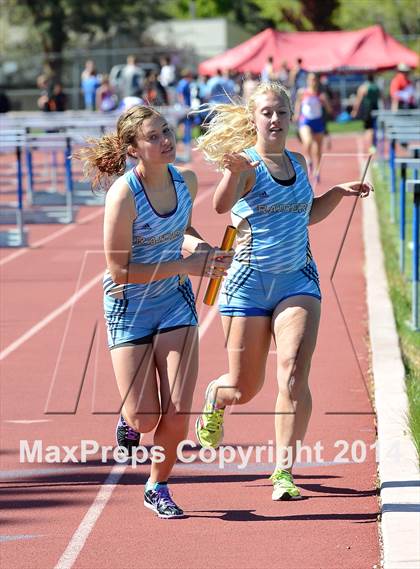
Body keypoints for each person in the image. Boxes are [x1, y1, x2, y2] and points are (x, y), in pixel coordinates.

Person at [194, 81, 373, 501]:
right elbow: (221, 207)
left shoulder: (295, 161)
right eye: (267, 113)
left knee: (293, 372)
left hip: (298, 281)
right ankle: (217, 397)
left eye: (281, 112)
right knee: (245, 387)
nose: (275, 119)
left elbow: (305, 213)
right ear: (254, 118)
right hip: (247, 285)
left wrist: (336, 194)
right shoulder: (245, 165)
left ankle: (283, 471)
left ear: (292, 116)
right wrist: (233, 174)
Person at [76, 105, 233, 518]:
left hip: (174, 304)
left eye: (166, 131)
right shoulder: (124, 195)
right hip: (129, 307)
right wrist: (185, 264)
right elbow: (119, 270)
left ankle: (157, 485)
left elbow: (184, 230)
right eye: (153, 136)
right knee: (145, 418)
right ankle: (129, 420)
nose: (166, 140)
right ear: (133, 149)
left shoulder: (186, 180)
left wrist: (202, 250)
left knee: (179, 408)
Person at [295, 72, 333, 181]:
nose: (313, 81)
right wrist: (297, 114)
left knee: (318, 149)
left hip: (318, 121)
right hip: (305, 121)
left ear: (318, 81)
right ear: (307, 80)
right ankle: (308, 159)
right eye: (311, 79)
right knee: (308, 142)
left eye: (315, 79)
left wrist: (325, 102)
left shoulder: (321, 95)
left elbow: (330, 110)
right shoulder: (302, 92)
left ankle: (317, 170)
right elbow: (298, 103)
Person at [351, 73, 382, 151]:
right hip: (376, 109)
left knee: (369, 129)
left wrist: (355, 111)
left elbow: (358, 100)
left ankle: (370, 146)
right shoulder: (376, 87)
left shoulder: (363, 87)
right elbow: (381, 98)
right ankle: (374, 145)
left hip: (367, 110)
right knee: (374, 127)